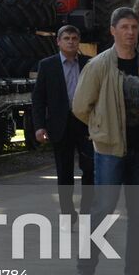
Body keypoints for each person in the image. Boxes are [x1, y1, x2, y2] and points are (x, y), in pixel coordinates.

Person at [71, 6, 139, 275]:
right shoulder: (98, 66)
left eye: (134, 27)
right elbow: (81, 107)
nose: (130, 32)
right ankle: (85, 270)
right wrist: (101, 129)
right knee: (103, 211)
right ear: (112, 30)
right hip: (109, 151)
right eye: (124, 27)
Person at [31, 25, 93, 220]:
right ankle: (68, 212)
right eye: (66, 38)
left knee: (91, 169)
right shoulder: (47, 66)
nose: (71, 42)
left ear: (79, 41)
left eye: (74, 38)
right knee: (64, 173)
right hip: (60, 125)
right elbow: (39, 98)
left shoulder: (89, 64)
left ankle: (87, 212)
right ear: (58, 41)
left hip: (85, 124)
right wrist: (40, 126)